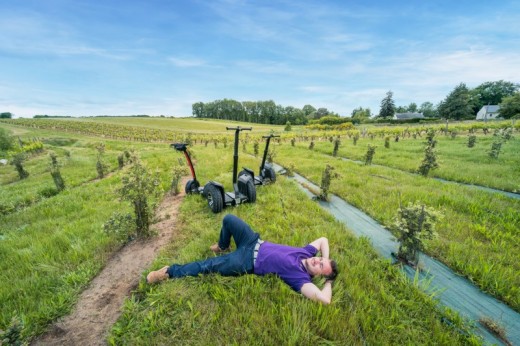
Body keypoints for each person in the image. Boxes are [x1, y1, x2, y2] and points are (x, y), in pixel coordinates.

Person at [147, 214, 338, 304]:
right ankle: (223, 245)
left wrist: (329, 281)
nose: (318, 261)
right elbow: (323, 239)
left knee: (208, 265)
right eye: (320, 260)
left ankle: (169, 272)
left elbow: (324, 300)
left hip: (246, 261)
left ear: (318, 276)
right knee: (229, 219)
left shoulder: (301, 279)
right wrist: (326, 259)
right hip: (253, 241)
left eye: (321, 266)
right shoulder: (307, 253)